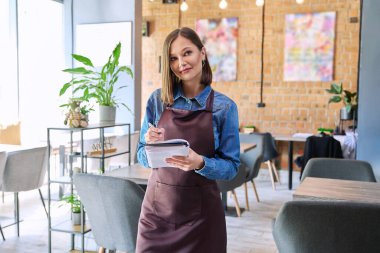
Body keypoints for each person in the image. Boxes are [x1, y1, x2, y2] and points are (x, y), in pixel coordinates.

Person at [136, 27, 240, 253]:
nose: (181, 62)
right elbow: (142, 156)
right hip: (156, 217)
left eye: (187, 53)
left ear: (202, 53)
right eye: (173, 58)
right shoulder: (158, 101)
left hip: (202, 220)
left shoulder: (225, 107)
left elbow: (232, 167)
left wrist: (201, 163)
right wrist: (150, 147)